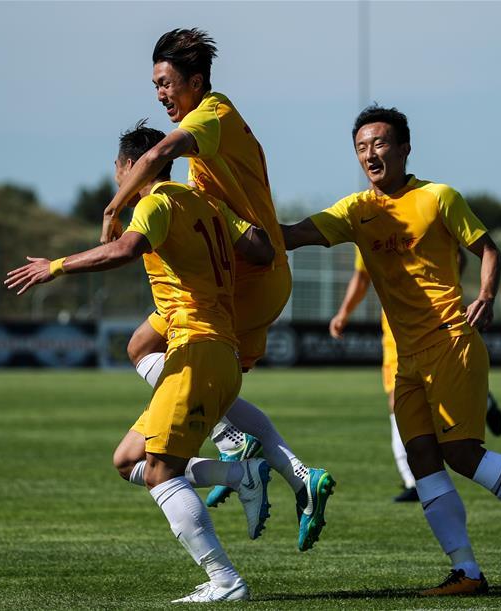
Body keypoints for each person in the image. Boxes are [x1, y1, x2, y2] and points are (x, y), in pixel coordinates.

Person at [282, 105, 501, 595]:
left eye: (380, 144)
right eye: (362, 147)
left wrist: (486, 296)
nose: (370, 154)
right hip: (405, 358)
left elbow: (489, 248)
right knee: (422, 458)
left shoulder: (439, 197)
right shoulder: (355, 211)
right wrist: (236, 220)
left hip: (451, 341)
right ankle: (466, 570)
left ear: (405, 147)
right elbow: (291, 235)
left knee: (462, 454)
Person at [6, 122, 278, 603]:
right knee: (128, 460)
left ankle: (226, 582)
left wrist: (55, 265)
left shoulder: (156, 202)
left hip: (196, 350)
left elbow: (127, 249)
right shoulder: (205, 203)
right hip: (217, 351)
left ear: (130, 166)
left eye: (117, 167)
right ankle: (240, 475)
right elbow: (260, 248)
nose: (116, 176)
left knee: (159, 472)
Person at [100, 28, 333, 552]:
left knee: (181, 376)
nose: (160, 94)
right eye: (155, 85)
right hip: (253, 280)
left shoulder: (212, 116)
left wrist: (116, 206)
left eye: (166, 83)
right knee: (154, 353)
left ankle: (234, 447)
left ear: (196, 81)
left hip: (246, 286)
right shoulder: (209, 153)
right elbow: (245, 229)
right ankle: (298, 476)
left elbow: (169, 146)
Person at [330, 247, 501, 503]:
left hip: (435, 320)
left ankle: (483, 401)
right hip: (397, 327)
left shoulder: (421, 213)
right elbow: (362, 276)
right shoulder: (362, 220)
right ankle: (413, 480)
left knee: (445, 403)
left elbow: (462, 255)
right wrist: (344, 313)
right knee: (397, 398)